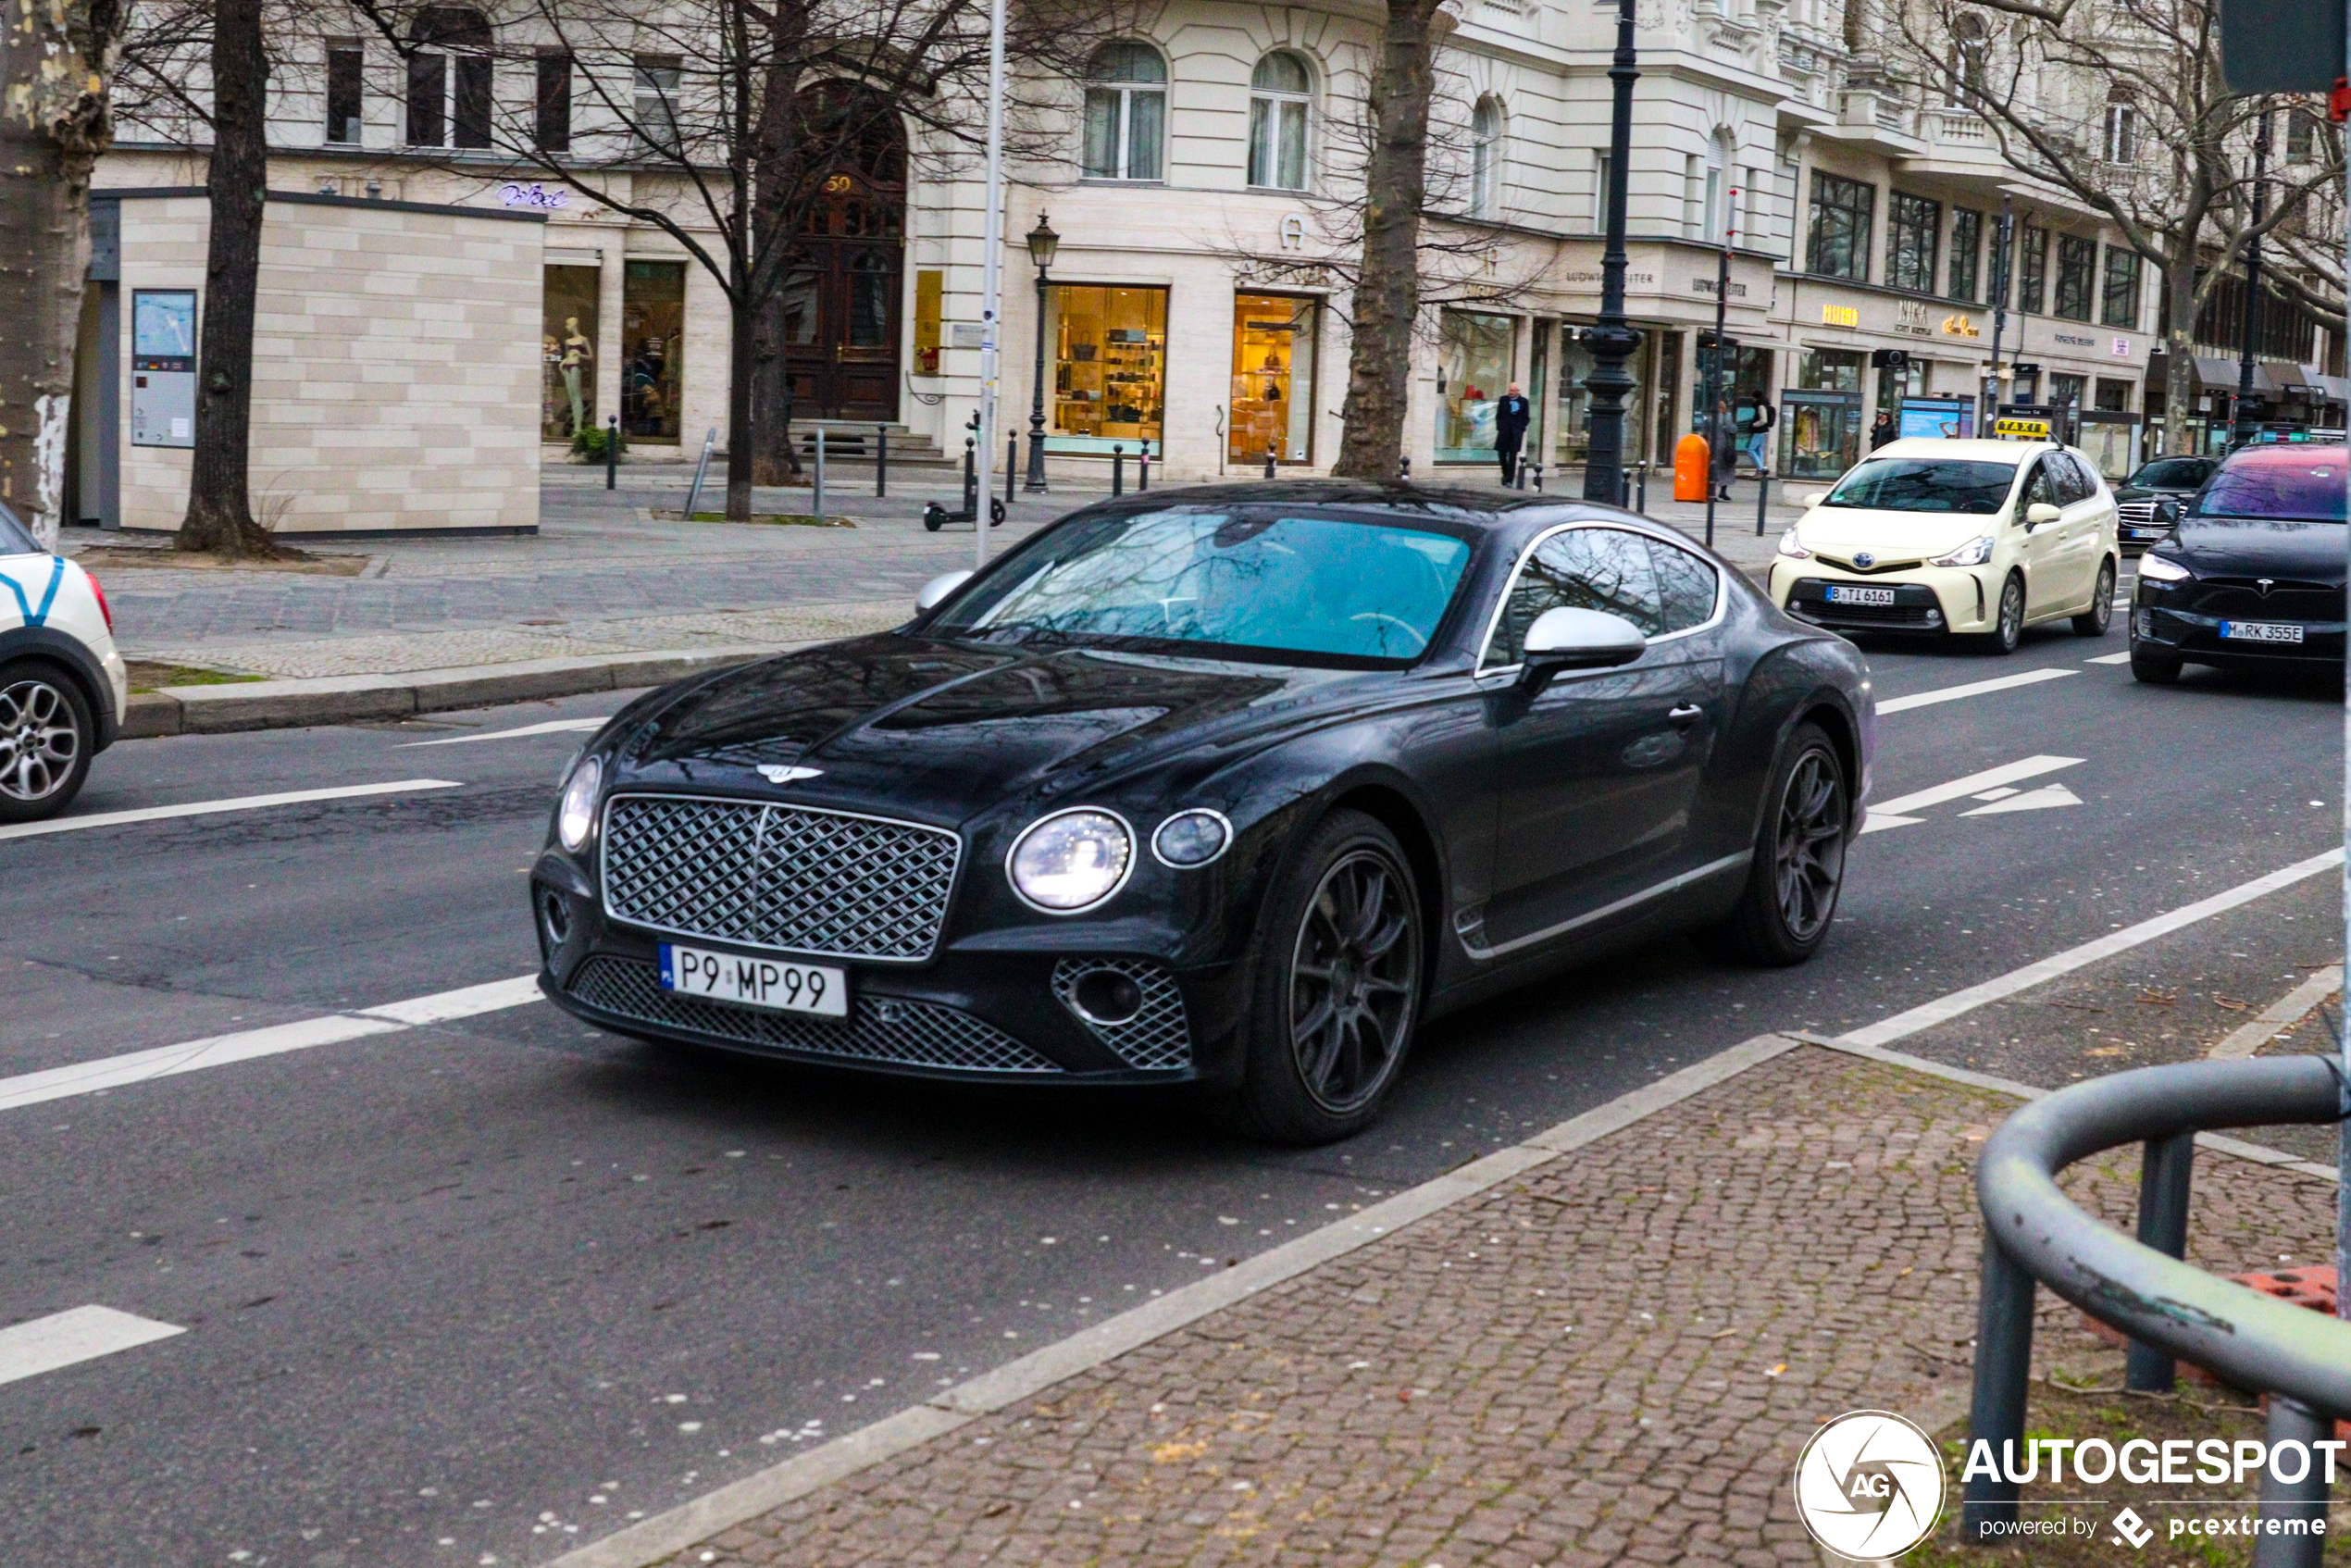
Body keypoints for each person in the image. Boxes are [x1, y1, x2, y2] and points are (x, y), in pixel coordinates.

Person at [1494, 383, 1532, 486]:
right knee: (1501, 454)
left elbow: (1526, 418)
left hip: (1515, 433)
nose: (1510, 392)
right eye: (1510, 390)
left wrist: (1520, 429)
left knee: (1512, 456)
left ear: (1517, 391)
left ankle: (1509, 479)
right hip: (1504, 432)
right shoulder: (1503, 399)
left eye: (1513, 390)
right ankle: (1505, 473)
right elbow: (1498, 415)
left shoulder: (1524, 402)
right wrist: (1500, 427)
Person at [1708, 398, 1738, 500]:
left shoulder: (1711, 418)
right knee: (1727, 469)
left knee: (1714, 469)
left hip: (1713, 446)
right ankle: (1723, 492)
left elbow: (1706, 431)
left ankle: (1712, 493)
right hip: (1725, 447)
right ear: (1724, 407)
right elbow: (1733, 429)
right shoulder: (1727, 417)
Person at [1746, 397, 1775, 475]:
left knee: (1750, 450)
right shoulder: (1767, 407)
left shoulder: (1761, 407)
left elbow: (1763, 420)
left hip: (1759, 431)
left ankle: (1761, 468)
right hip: (1764, 431)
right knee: (1759, 450)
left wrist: (1754, 425)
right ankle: (1761, 468)